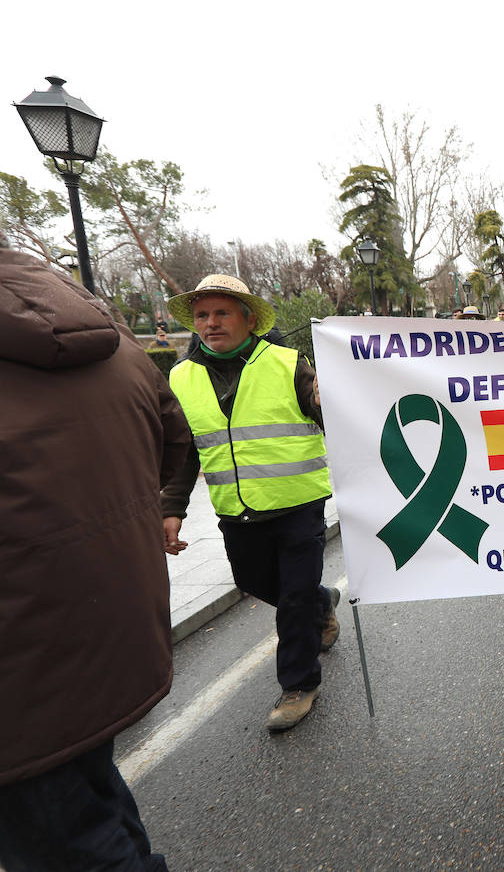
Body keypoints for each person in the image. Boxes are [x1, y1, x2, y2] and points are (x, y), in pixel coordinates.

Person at [0, 246, 192, 871]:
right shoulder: (119, 345)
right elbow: (172, 439)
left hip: (24, 673)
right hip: (106, 634)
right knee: (90, 805)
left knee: (69, 839)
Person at [160, 274, 339, 732]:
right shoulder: (180, 376)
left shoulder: (287, 362)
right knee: (256, 582)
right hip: (234, 510)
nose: (211, 323)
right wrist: (172, 508)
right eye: (202, 315)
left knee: (294, 597)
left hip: (298, 504)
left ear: (249, 318)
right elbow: (184, 450)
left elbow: (331, 417)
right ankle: (323, 602)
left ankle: (298, 685)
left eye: (222, 313)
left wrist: (330, 398)